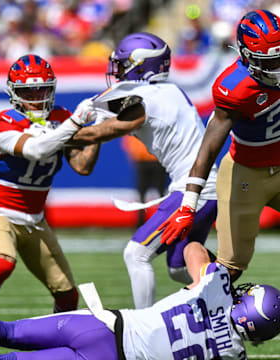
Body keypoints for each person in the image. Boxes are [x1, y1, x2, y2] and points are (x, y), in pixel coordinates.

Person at [0, 54, 99, 355]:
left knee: (67, 294)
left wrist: (96, 131)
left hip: (35, 220)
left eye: (41, 90)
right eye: (28, 92)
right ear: (14, 93)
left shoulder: (60, 118)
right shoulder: (4, 121)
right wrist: (75, 123)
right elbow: (35, 149)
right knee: (3, 262)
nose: (36, 98)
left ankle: (56, 343)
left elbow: (83, 166)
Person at [0, 242, 280, 360]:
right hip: (108, 358)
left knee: (8, 331)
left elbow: (192, 248)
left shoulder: (214, 288)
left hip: (100, 322)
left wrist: (211, 272)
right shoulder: (234, 354)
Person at [68, 32, 218, 309]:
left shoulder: (144, 99)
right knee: (179, 268)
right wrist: (83, 129)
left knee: (135, 254)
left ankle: (143, 329)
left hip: (192, 191)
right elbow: (83, 163)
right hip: (206, 190)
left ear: (140, 64)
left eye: (124, 64)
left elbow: (100, 134)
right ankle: (231, 286)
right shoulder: (168, 90)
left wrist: (61, 133)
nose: (119, 70)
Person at [158, 9, 280, 283]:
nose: (277, 68)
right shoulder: (235, 88)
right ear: (247, 56)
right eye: (269, 62)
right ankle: (194, 262)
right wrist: (189, 205)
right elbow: (209, 148)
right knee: (229, 271)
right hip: (246, 176)